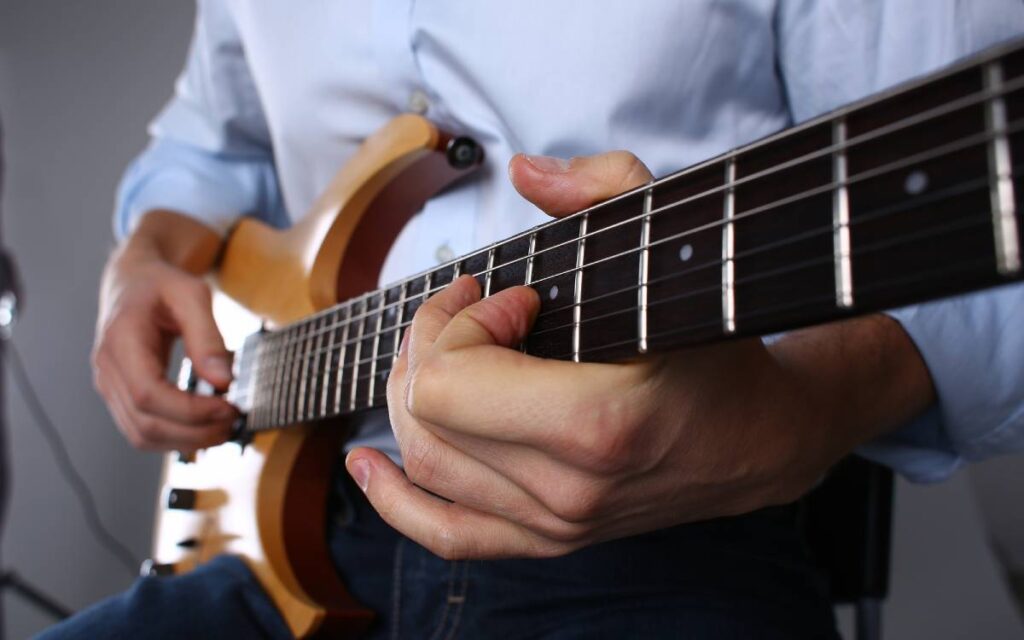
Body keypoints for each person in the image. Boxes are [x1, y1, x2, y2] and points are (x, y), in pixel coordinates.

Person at [43, 1, 1024, 638]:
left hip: (666, 547)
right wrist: (142, 259)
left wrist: (792, 419)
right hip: (296, 545)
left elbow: (968, 237)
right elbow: (211, 144)